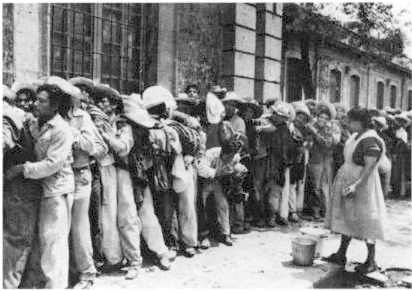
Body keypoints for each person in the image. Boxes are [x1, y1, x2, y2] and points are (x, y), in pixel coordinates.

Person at [5, 79, 75, 288]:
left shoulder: (61, 129)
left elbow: (52, 164)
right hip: (42, 189)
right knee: (42, 242)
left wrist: (21, 169)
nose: (36, 104)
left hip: (57, 191)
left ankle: (56, 286)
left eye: (42, 101)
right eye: (37, 100)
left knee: (54, 245)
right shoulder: (37, 122)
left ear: (54, 106)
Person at [325, 107, 388, 274]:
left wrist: (356, 185)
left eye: (351, 120)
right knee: (346, 217)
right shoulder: (355, 136)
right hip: (348, 178)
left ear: (360, 122)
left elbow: (369, 167)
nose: (348, 124)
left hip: (363, 185)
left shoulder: (370, 140)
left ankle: (371, 261)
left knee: (367, 219)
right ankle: (341, 254)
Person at [60, 81, 106, 288]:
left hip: (79, 176)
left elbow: (93, 147)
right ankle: (67, 272)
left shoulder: (82, 118)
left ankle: (87, 273)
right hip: (58, 177)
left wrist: (70, 132)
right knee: (60, 227)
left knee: (79, 226)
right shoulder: (52, 116)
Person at [143, 86, 199, 259]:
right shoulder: (152, 124)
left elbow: (196, 139)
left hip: (181, 167)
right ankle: (172, 243)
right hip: (163, 171)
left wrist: (191, 155)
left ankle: (189, 242)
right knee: (167, 209)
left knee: (186, 205)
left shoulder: (180, 121)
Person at [3, 85, 42, 288]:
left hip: (33, 187)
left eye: (29, 100)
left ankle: (29, 282)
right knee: (17, 239)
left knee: (31, 238)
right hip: (18, 189)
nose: (25, 104)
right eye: (20, 101)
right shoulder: (11, 120)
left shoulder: (34, 122)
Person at [197, 139, 248, 246]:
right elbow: (201, 170)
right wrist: (218, 172)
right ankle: (203, 236)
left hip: (218, 183)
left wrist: (238, 171)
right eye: (228, 156)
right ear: (222, 153)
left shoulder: (235, 156)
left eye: (232, 156)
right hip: (205, 182)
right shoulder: (210, 154)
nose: (230, 158)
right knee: (201, 207)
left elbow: (235, 165)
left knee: (223, 205)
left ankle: (225, 234)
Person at [306, 101, 340, 219]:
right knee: (315, 185)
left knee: (325, 186)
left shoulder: (330, 129)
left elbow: (327, 143)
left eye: (325, 118)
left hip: (326, 160)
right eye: (320, 117)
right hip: (315, 159)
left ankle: (325, 210)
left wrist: (316, 133)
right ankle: (316, 210)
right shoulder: (311, 126)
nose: (322, 119)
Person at [289, 101, 312, 222]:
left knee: (300, 183)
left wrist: (305, 146)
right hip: (291, 158)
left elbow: (308, 145)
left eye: (303, 118)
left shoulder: (305, 131)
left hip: (301, 159)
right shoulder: (290, 128)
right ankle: (292, 210)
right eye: (298, 116)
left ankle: (298, 208)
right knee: (291, 184)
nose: (300, 120)